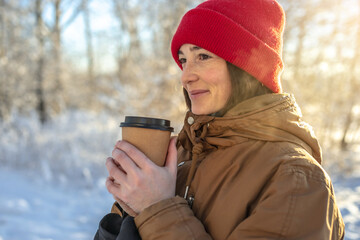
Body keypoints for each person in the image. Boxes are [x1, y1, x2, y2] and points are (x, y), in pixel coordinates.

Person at [95, 0, 345, 239]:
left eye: (202, 57)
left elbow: (157, 212)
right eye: (184, 60)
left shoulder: (296, 179)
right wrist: (128, 209)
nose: (185, 76)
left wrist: (157, 208)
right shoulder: (183, 152)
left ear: (246, 66)